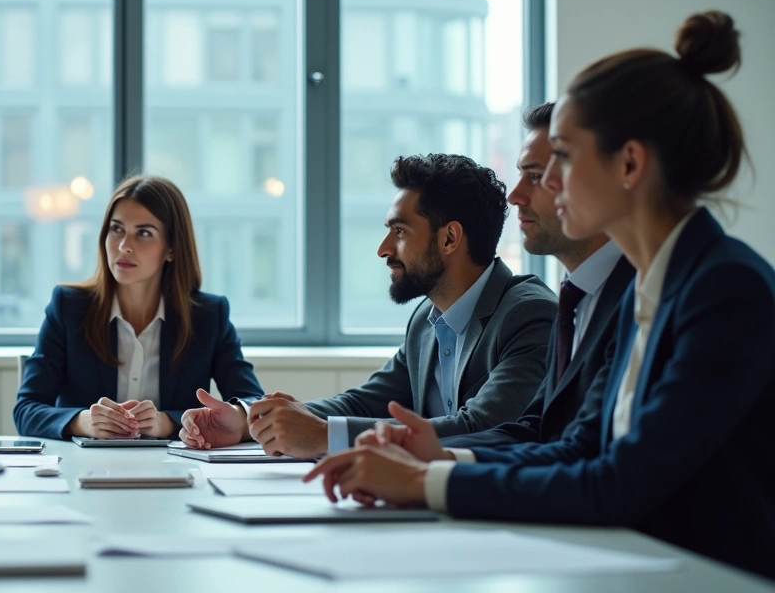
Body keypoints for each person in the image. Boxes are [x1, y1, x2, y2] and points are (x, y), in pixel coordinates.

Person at [304, 11, 775, 580]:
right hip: (628, 565)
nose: (548, 184)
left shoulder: (725, 289)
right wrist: (442, 460)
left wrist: (425, 481)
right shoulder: (642, 292)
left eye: (566, 159)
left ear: (629, 164)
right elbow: (578, 446)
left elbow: (619, 480)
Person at [179, 154, 556, 458]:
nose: (384, 249)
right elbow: (366, 401)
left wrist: (325, 436)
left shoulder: (528, 315)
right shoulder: (426, 321)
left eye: (400, 232)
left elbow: (482, 427)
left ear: (450, 238)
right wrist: (252, 421)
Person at [437, 103, 633, 450]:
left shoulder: (638, 297)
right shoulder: (576, 299)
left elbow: (585, 455)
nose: (513, 195)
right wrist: (426, 454)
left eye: (537, 176)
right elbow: (537, 428)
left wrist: (436, 474)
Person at [13, 175, 263, 440]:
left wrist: (167, 423)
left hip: (175, 472)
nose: (124, 246)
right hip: (85, 471)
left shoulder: (208, 316)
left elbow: (252, 406)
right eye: (117, 229)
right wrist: (83, 421)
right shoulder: (68, 307)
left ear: (171, 248)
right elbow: (26, 410)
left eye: (143, 233)